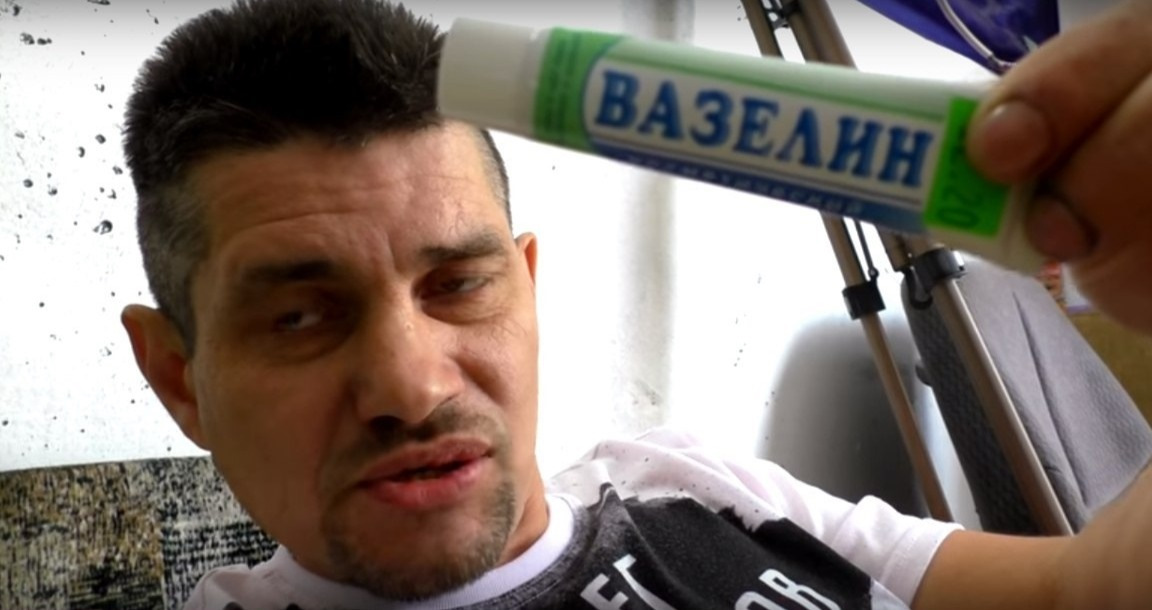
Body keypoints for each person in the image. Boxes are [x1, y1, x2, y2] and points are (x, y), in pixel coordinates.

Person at [118, 0, 1152, 608]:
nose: (412, 386)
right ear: (179, 377)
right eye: (300, 317)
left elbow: (1085, 589)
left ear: (525, 284)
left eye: (458, 284)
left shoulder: (687, 481)